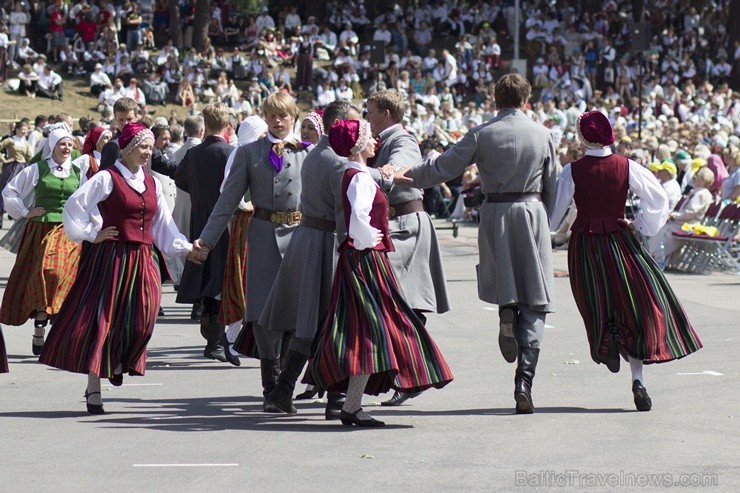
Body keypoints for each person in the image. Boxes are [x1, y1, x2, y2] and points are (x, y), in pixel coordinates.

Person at [395, 74, 558, 414]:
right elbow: (553, 184)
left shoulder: (483, 133)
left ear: (495, 99)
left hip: (496, 213)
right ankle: (524, 381)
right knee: (537, 299)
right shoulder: (544, 134)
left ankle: (506, 312)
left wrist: (403, 174)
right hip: (532, 212)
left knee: (506, 283)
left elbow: (443, 167)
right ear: (527, 100)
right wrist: (548, 224)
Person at [550, 111, 703, 411]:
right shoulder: (627, 166)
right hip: (620, 241)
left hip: (585, 246)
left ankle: (606, 342)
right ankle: (638, 378)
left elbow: (555, 214)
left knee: (596, 304)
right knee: (634, 305)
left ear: (582, 138)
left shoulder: (572, 171)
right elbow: (658, 199)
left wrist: (543, 231)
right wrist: (641, 223)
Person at [305, 119, 453, 427]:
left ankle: (352, 404)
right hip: (365, 261)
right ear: (359, 145)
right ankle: (408, 375)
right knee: (377, 326)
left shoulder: (356, 173)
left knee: (369, 329)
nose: (375, 143)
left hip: (361, 259)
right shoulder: (357, 176)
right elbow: (358, 215)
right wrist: (367, 238)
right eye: (370, 138)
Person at [39, 122, 194, 414]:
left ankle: (121, 360)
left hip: (144, 258)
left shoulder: (153, 183)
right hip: (112, 257)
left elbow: (164, 226)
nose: (148, 152)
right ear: (128, 148)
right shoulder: (107, 178)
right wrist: (91, 233)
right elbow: (74, 206)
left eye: (150, 147)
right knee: (103, 322)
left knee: (144, 318)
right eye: (143, 147)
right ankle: (94, 387)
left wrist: (186, 248)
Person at [260, 100, 391, 418]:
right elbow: (345, 207)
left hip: (308, 237)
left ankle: (308, 393)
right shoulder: (335, 159)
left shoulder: (317, 152)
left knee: (318, 319)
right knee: (329, 320)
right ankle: (295, 391)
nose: (358, 130)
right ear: (340, 125)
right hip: (326, 242)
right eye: (353, 124)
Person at [190, 92, 309, 412]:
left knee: (299, 316)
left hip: (300, 238)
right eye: (273, 115)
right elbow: (226, 201)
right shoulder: (249, 153)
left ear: (293, 118)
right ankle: (270, 388)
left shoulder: (306, 154)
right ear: (266, 117)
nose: (279, 120)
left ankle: (286, 384)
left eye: (284, 115)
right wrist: (205, 241)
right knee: (263, 314)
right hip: (262, 237)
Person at [365, 89, 450, 407]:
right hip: (394, 226)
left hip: (406, 226)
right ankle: (409, 375)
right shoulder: (380, 137)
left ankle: (416, 373)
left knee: (397, 302)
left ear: (386, 113)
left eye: (371, 110)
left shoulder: (400, 137)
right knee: (399, 304)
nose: (368, 116)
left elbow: (406, 160)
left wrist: (388, 169)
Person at [0, 128, 89, 354]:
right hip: (40, 230)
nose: (67, 148)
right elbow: (9, 192)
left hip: (68, 231)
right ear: (52, 146)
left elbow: (88, 200)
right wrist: (24, 211)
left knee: (63, 277)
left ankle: (55, 327)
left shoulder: (78, 171)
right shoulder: (37, 169)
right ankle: (40, 321)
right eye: (62, 144)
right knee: (43, 274)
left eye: (69, 144)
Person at [174, 102, 239, 366]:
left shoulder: (193, 153)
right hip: (225, 224)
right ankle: (215, 340)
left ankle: (211, 333)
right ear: (227, 126)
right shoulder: (231, 153)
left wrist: (199, 194)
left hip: (200, 219)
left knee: (207, 277)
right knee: (221, 281)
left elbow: (180, 179)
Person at [0, 121, 34, 227]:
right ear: (17, 129)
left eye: (26, 129)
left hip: (23, 168)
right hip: (11, 168)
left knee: (22, 193)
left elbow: (30, 158)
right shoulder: (10, 140)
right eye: (23, 129)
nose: (25, 131)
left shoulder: (26, 143)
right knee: (6, 190)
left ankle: (17, 217)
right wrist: (4, 160)